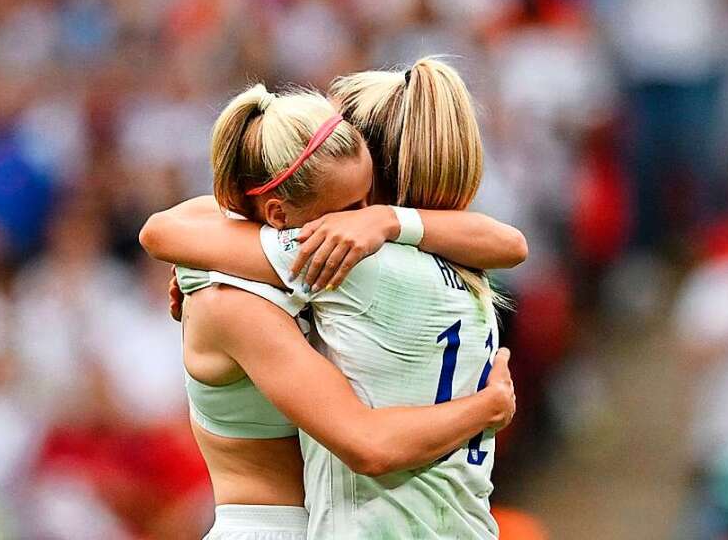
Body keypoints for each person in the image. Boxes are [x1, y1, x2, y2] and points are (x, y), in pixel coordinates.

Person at [141, 58, 525, 539]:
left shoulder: (345, 263)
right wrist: (487, 408)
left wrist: (200, 261)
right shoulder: (467, 278)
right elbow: (512, 244)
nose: (357, 218)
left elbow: (166, 230)